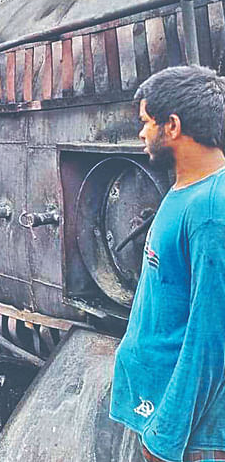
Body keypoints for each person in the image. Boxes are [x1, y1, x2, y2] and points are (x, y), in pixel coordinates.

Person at [110, 65, 225, 462]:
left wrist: (167, 437)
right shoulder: (186, 190)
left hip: (194, 435)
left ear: (172, 126)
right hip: (160, 411)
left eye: (146, 122)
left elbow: (212, 337)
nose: (142, 132)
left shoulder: (211, 209)